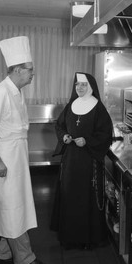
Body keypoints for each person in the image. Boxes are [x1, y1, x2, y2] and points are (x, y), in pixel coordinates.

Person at [0, 36, 51, 264]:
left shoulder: (17, 91)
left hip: (15, 159)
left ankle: (3, 251)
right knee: (14, 208)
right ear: (18, 70)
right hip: (6, 162)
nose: (32, 74)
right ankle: (25, 257)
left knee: (14, 206)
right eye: (30, 70)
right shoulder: (0, 93)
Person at [50, 72, 113, 250]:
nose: (79, 87)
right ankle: (69, 237)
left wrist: (88, 141)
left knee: (86, 198)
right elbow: (59, 126)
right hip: (70, 160)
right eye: (77, 84)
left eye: (84, 84)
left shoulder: (98, 108)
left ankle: (88, 239)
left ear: (91, 86)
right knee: (69, 195)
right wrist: (64, 137)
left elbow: (105, 134)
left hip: (89, 161)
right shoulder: (71, 106)